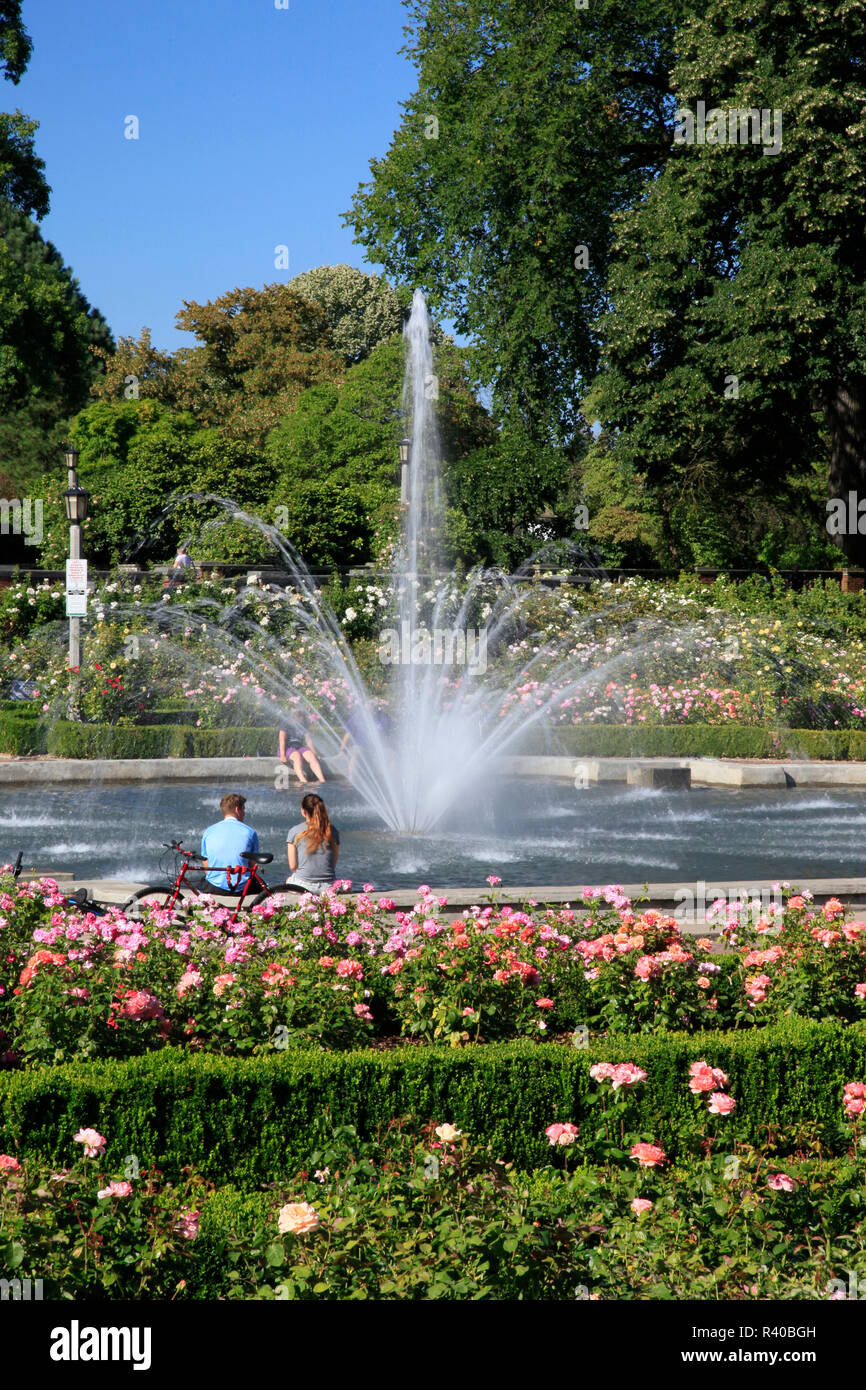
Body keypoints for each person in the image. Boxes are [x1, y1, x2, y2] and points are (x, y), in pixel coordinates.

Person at [200, 792, 260, 894]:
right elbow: (253, 865)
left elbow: (206, 862)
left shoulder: (208, 831)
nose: (244, 813)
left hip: (214, 886)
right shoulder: (250, 832)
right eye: (243, 809)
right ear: (237, 809)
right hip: (242, 886)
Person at [285, 792, 340, 892]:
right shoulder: (332, 831)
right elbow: (333, 863)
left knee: (288, 880)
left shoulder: (295, 831)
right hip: (329, 887)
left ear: (304, 811)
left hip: (303, 886)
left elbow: (293, 866)